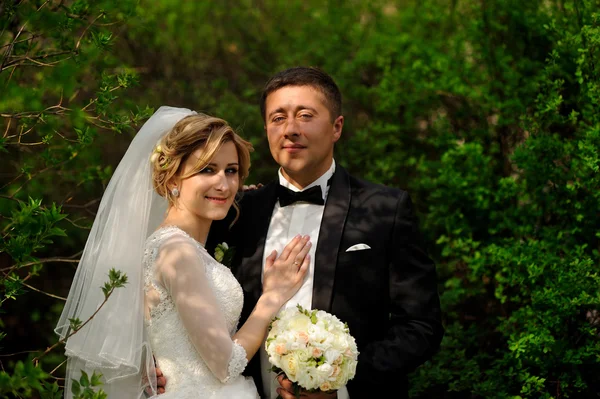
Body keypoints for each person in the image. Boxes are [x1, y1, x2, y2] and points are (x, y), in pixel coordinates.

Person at [204, 67, 445, 399]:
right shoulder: (236, 211)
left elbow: (421, 326)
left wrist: (340, 382)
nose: (290, 130)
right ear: (266, 130)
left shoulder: (386, 209)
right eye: (277, 118)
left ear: (337, 127)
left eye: (305, 115)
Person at [55, 107, 311, 399]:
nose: (224, 184)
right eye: (207, 170)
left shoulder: (168, 245)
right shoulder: (178, 252)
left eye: (231, 170)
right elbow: (227, 364)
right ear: (173, 179)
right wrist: (272, 297)